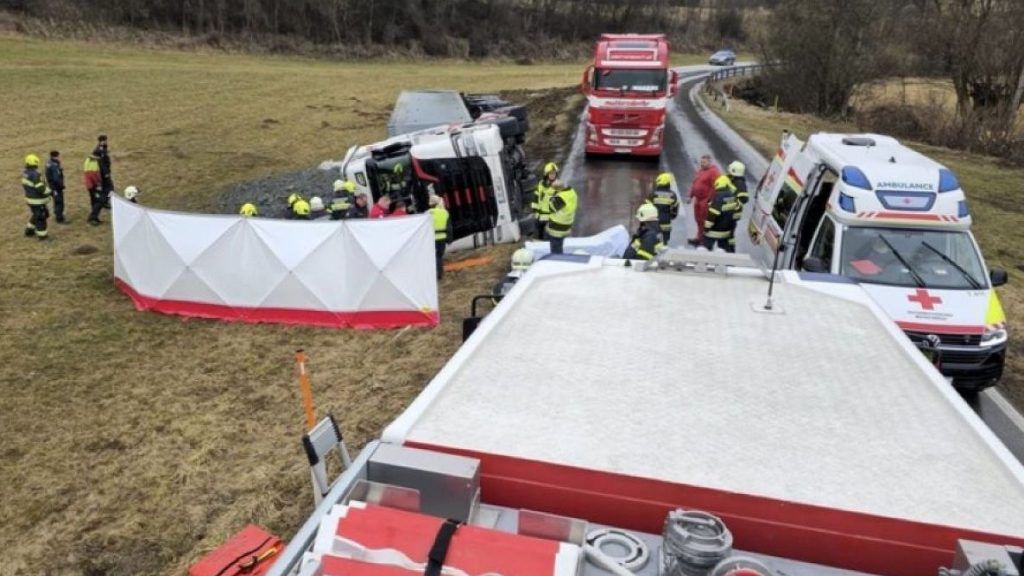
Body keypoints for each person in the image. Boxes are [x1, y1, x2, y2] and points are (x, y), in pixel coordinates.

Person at [687, 154, 721, 246]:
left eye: (704, 162)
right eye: (701, 162)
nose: (702, 164)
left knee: (704, 221)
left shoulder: (714, 172)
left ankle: (704, 240)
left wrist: (709, 200)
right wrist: (690, 196)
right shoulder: (700, 171)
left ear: (710, 162)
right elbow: (695, 183)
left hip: (705, 200)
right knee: (698, 220)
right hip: (698, 200)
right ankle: (699, 237)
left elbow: (715, 187)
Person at [702, 175, 741, 253]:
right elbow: (737, 214)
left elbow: (712, 214)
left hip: (713, 231)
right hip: (726, 232)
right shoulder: (733, 196)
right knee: (725, 253)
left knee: (704, 251)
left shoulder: (718, 196)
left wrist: (706, 228)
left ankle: (704, 263)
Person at [22, 153, 52, 240]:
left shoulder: (26, 173)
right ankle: (42, 236)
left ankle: (29, 229)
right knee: (41, 217)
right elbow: (40, 188)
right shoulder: (35, 175)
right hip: (37, 200)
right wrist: (50, 192)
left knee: (39, 214)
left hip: (30, 199)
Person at [546, 180, 578, 255]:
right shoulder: (572, 192)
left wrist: (550, 193)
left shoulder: (560, 198)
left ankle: (557, 262)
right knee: (559, 243)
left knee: (556, 250)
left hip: (557, 227)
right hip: (566, 224)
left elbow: (549, 208)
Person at [649, 172, 680, 243]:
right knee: (665, 240)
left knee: (654, 239)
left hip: (655, 220)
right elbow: (675, 209)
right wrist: (671, 216)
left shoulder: (653, 193)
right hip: (666, 220)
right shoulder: (672, 195)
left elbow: (646, 206)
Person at [532, 162, 558, 239]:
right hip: (539, 218)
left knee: (548, 240)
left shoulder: (557, 187)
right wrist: (535, 212)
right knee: (537, 239)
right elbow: (535, 200)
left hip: (550, 219)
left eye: (554, 174)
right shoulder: (540, 185)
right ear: (546, 174)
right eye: (551, 173)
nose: (553, 175)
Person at [428, 195, 452, 280]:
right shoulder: (444, 213)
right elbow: (449, 227)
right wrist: (449, 239)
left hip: (431, 239)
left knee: (434, 257)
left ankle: (436, 274)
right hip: (442, 238)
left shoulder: (427, 213)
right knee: (439, 256)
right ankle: (440, 274)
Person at [45, 150, 66, 223]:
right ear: (56, 156)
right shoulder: (54, 165)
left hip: (52, 186)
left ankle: (57, 214)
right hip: (56, 187)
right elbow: (56, 178)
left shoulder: (49, 163)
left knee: (56, 201)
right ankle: (59, 218)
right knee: (59, 202)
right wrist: (61, 185)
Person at [83, 152, 104, 225]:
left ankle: (95, 218)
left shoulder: (89, 160)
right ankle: (92, 218)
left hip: (90, 185)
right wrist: (98, 184)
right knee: (99, 201)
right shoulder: (91, 164)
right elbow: (93, 176)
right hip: (93, 185)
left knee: (94, 201)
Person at [93, 134, 113, 202]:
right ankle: (107, 200)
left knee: (106, 186)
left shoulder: (103, 148)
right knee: (109, 187)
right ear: (102, 141)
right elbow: (101, 163)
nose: (106, 142)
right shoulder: (99, 150)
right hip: (103, 172)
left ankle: (105, 200)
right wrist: (106, 173)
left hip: (104, 171)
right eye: (105, 141)